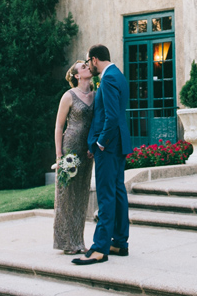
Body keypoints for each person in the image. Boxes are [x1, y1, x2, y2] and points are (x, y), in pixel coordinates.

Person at [72, 44, 132, 266]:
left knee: (106, 195)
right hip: (119, 144)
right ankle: (119, 242)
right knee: (117, 193)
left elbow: (112, 116)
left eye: (89, 61)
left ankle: (99, 248)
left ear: (95, 59)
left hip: (109, 147)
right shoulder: (119, 75)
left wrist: (100, 142)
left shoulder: (107, 79)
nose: (89, 65)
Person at [52, 60, 95, 254]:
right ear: (77, 76)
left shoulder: (95, 95)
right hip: (70, 149)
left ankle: (79, 241)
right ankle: (66, 242)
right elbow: (59, 127)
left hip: (87, 153)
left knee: (81, 195)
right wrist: (59, 155)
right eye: (83, 67)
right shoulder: (68, 96)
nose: (87, 67)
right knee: (66, 195)